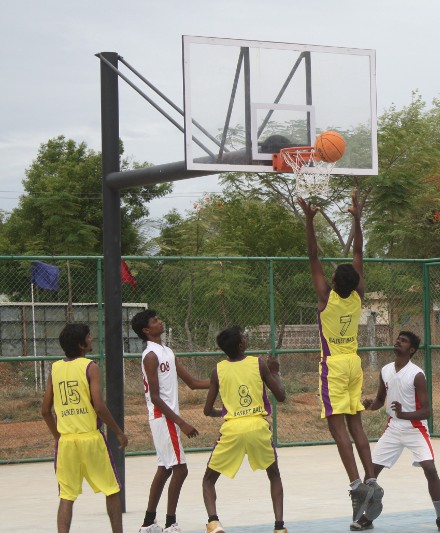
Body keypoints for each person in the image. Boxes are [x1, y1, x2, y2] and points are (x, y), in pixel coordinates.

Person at [297, 191, 383, 528]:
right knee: (357, 426)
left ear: (333, 282)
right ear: (356, 283)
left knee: (338, 430)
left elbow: (312, 255)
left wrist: (308, 220)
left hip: (333, 366)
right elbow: (359, 251)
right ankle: (371, 479)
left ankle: (356, 487)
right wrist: (357, 218)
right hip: (354, 364)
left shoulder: (325, 298)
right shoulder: (357, 297)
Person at [355, 331, 440, 532]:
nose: (397, 342)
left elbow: (427, 411)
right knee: (370, 473)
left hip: (415, 428)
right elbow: (380, 400)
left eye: (403, 341)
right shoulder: (385, 370)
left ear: (411, 350)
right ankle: (366, 517)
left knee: (430, 469)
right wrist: (370, 405)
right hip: (393, 428)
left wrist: (404, 414)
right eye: (397, 339)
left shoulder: (417, 374)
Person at [40, 323, 128, 533]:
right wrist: (117, 431)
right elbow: (98, 405)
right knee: (112, 490)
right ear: (81, 345)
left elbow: (45, 410)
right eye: (89, 337)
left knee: (66, 496)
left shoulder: (55, 368)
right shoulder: (90, 367)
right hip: (90, 439)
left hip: (66, 442)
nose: (91, 339)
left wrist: (58, 437)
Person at [202, 326, 287, 533]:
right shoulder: (258, 364)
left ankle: (214, 522)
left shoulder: (218, 370)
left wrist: (222, 413)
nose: (246, 338)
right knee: (273, 475)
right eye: (244, 337)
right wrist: (275, 372)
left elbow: (207, 409)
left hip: (232, 428)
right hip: (257, 426)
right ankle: (279, 527)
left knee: (208, 480)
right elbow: (281, 396)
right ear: (241, 345)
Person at [132, 309, 211, 533]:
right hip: (163, 417)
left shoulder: (167, 351)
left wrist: (221, 380)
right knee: (180, 470)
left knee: (165, 469)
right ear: (147, 330)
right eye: (155, 320)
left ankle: (148, 523)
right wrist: (181, 422)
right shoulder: (151, 355)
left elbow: (193, 382)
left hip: (165, 418)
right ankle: (170, 523)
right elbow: (155, 397)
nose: (160, 321)